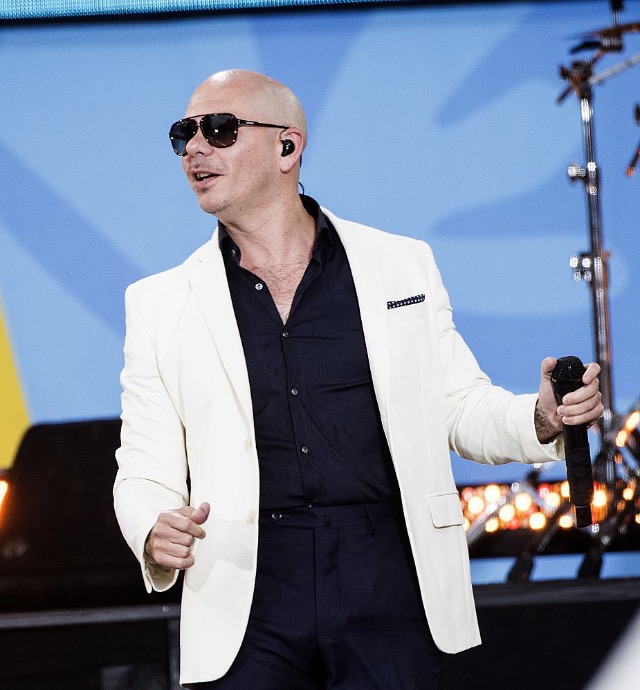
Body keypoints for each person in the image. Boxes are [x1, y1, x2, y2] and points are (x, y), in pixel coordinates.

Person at [113, 69, 603, 689]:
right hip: (245, 582)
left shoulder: (399, 266)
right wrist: (153, 527)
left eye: (219, 129)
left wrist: (541, 417)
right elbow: (144, 468)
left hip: (388, 571)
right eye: (185, 134)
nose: (195, 149)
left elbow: (458, 407)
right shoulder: (160, 304)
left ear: (287, 146)